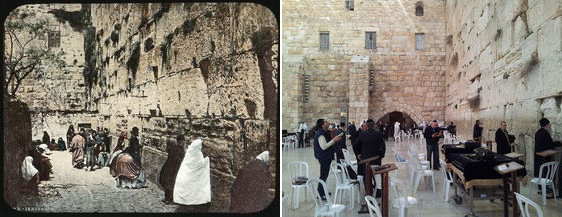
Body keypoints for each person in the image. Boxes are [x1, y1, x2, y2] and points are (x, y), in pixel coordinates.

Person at [353, 119, 386, 195]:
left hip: (366, 160)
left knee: (367, 177)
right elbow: (383, 146)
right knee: (376, 175)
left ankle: (368, 192)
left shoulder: (363, 134)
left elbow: (355, 144)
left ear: (367, 126)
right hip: (376, 159)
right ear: (374, 125)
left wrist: (358, 153)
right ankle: (378, 192)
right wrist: (381, 155)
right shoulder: (379, 134)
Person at [174, 139, 211, 205]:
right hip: (192, 175)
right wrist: (207, 160)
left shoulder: (189, 152)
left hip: (186, 175)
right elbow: (200, 164)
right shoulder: (198, 154)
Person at [313, 119, 343, 200]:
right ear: (322, 125)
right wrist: (334, 140)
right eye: (326, 122)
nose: (328, 123)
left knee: (325, 174)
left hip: (325, 156)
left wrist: (333, 137)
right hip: (323, 157)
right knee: (323, 175)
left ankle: (322, 192)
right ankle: (320, 194)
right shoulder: (320, 134)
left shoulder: (324, 132)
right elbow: (324, 146)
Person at [159, 136, 186, 203]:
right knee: (167, 182)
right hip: (170, 167)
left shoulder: (180, 149)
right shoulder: (176, 148)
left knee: (169, 183)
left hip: (175, 168)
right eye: (180, 141)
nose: (181, 143)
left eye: (182, 141)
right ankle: (168, 198)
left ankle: (169, 198)